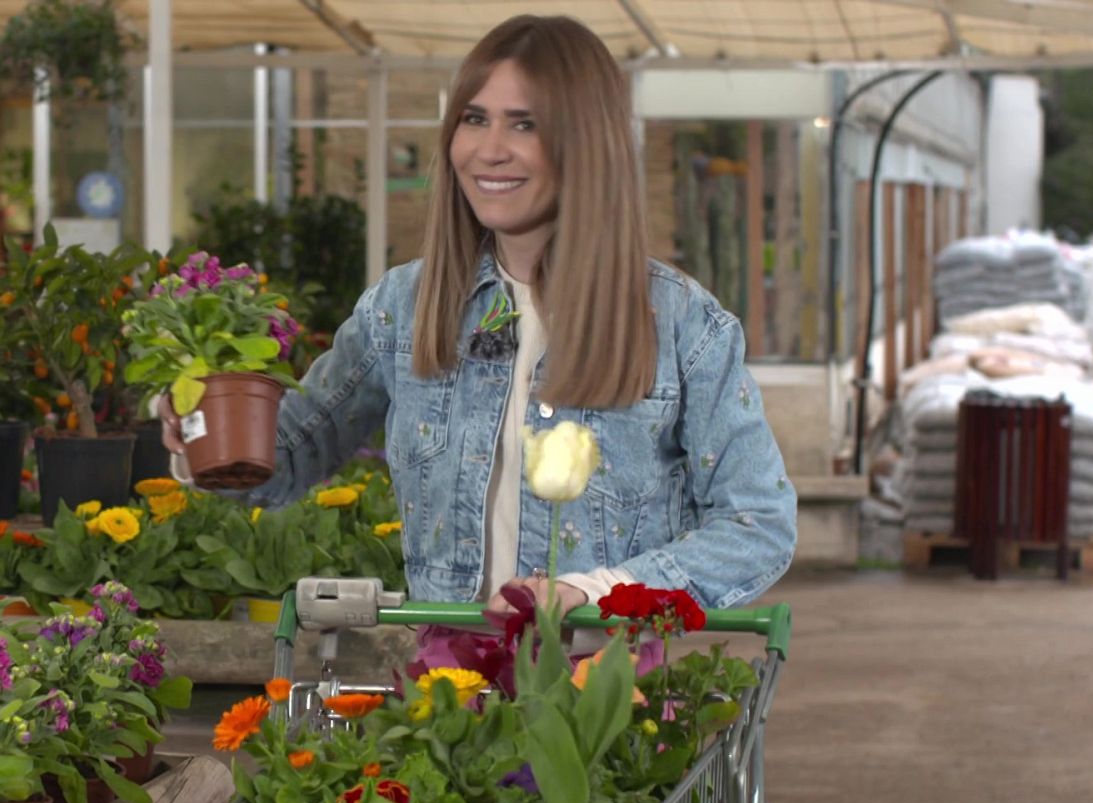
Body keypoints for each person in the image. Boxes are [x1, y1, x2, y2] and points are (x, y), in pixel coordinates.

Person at [160, 15, 796, 664]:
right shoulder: (403, 309)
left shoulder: (682, 326)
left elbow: (757, 523)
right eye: (473, 118)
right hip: (450, 699)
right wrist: (199, 434)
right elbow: (288, 457)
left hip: (604, 696)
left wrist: (592, 591)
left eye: (525, 123)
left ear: (586, 142)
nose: (490, 149)